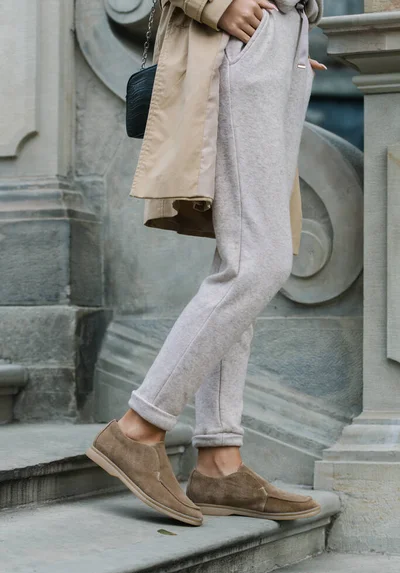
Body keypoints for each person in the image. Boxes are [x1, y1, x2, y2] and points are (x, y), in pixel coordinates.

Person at [87, 0, 325, 527]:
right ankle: (139, 426)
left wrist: (295, 30)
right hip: (240, 38)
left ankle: (220, 460)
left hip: (281, 43)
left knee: (243, 258)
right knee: (257, 265)